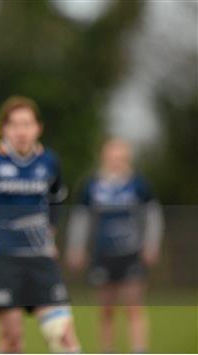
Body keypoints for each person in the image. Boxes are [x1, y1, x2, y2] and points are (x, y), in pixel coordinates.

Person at [0, 96, 81, 353]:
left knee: (62, 335)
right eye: (15, 125)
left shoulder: (49, 161)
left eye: (27, 124)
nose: (21, 131)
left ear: (38, 128)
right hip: (3, 259)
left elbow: (56, 199)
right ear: (5, 128)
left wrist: (50, 232)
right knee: (13, 338)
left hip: (40, 259)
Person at [66, 137, 164, 353]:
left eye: (121, 156)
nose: (116, 160)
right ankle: (107, 349)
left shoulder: (138, 184)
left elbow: (153, 216)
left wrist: (151, 245)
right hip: (103, 254)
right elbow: (81, 219)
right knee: (106, 310)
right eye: (112, 155)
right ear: (104, 156)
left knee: (134, 307)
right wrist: (76, 247)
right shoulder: (91, 185)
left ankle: (139, 349)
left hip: (131, 253)